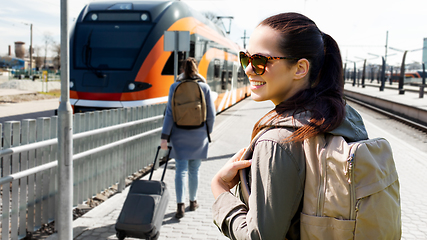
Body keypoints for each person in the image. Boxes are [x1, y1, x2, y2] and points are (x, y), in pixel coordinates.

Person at [211, 13, 369, 239]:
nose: (247, 70)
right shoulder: (344, 117)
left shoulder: (276, 142)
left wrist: (220, 190)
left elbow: (259, 237)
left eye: (260, 61)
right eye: (246, 59)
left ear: (300, 68)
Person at [161, 57, 216, 219]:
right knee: (194, 170)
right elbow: (211, 115)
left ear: (182, 70)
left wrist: (165, 136)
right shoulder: (204, 87)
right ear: (196, 69)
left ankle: (180, 206)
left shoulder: (174, 86)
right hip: (199, 135)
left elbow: (169, 114)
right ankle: (193, 201)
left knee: (181, 170)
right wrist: (207, 132)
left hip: (179, 134)